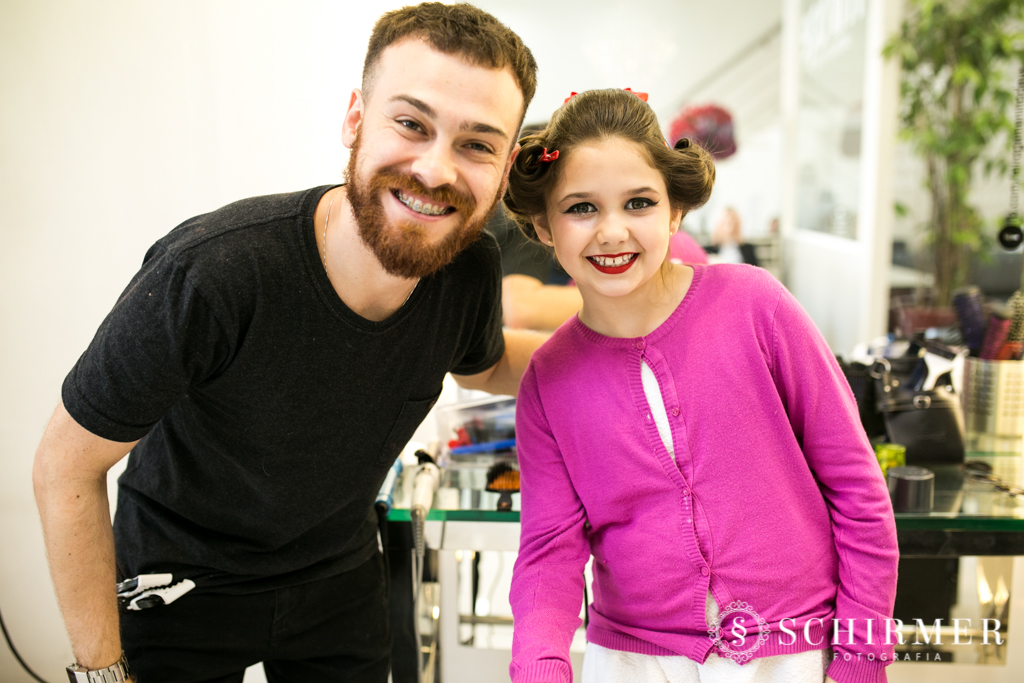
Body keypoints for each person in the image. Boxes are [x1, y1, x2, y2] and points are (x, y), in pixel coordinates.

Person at [32, 4, 544, 682]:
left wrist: (649, 347)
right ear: (355, 120)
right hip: (182, 577)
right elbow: (64, 466)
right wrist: (101, 672)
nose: (435, 169)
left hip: (336, 572)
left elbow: (489, 364)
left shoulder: (468, 268)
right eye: (411, 123)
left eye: (476, 143)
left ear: (504, 169)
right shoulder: (214, 273)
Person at [502, 89, 898, 683]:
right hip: (634, 661)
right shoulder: (548, 381)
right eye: (581, 208)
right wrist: (540, 665)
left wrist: (861, 657)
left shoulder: (755, 306)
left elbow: (858, 491)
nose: (612, 231)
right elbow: (548, 552)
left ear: (675, 213)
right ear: (543, 224)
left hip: (792, 649)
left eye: (639, 203)